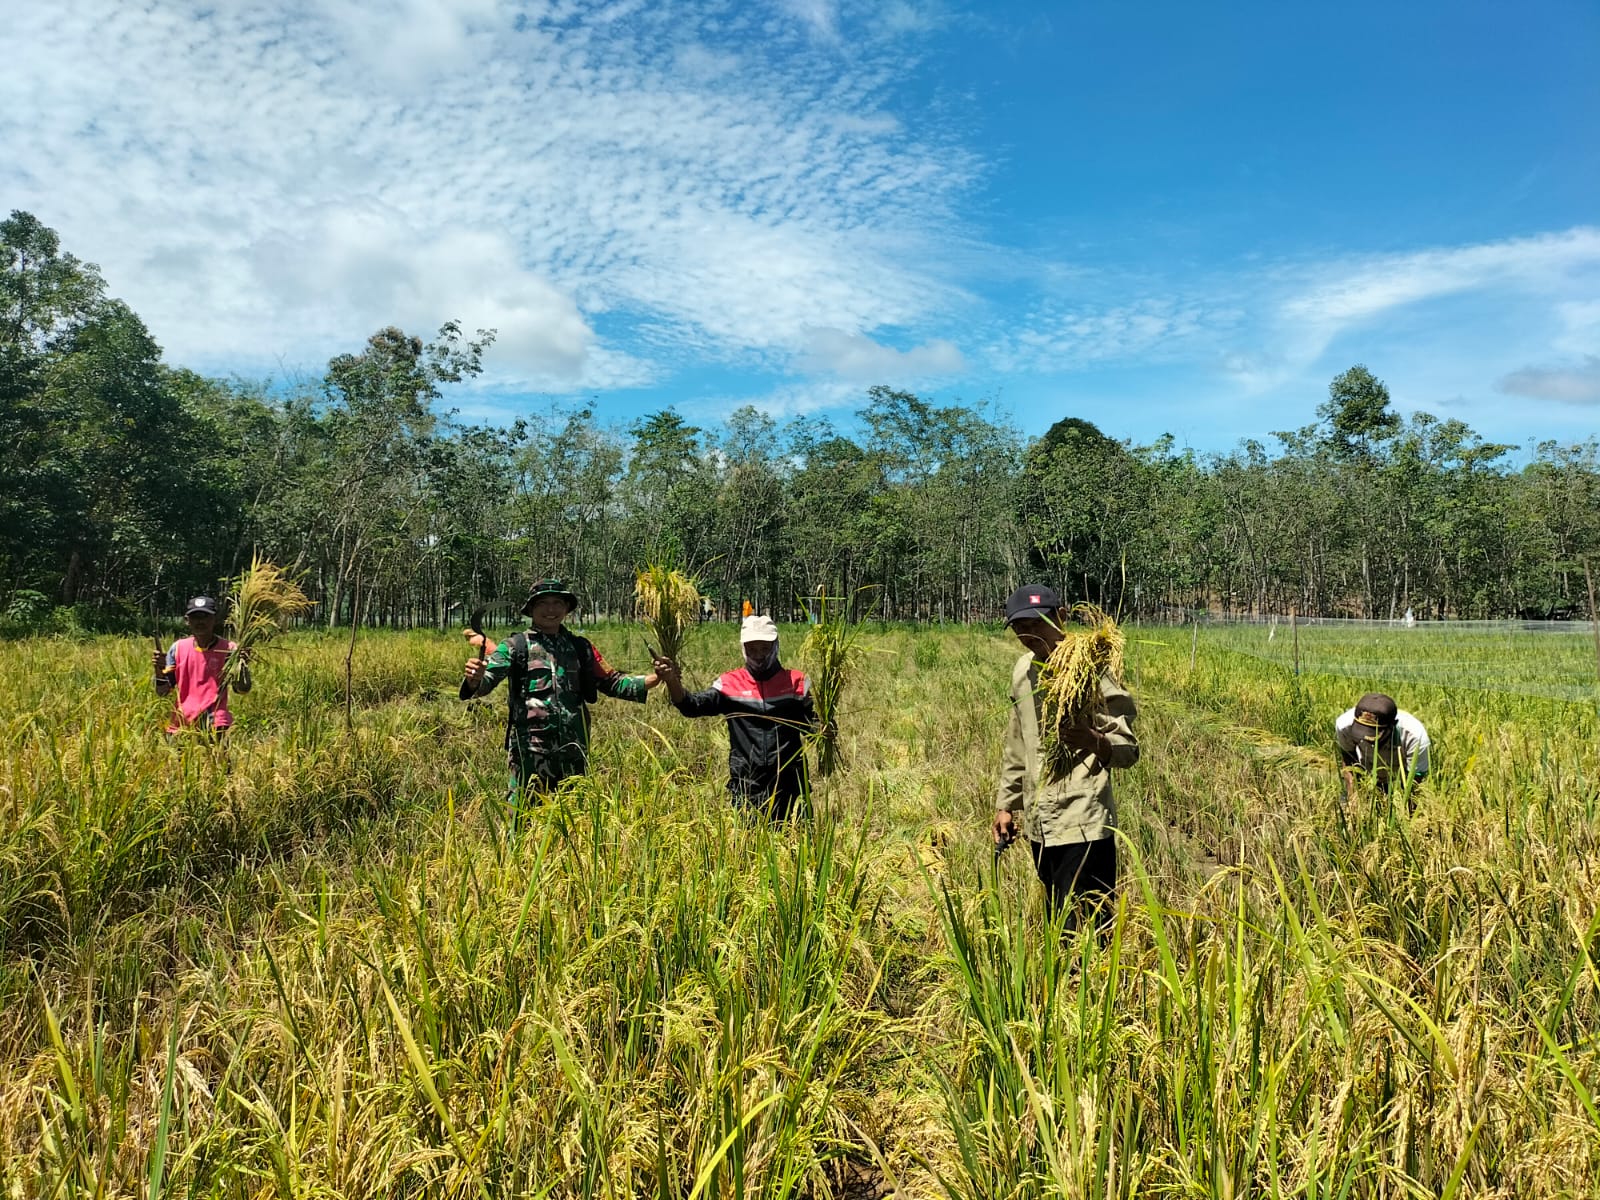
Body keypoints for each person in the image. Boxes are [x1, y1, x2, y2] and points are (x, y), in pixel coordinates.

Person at [991, 584, 1139, 926]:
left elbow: (1128, 748)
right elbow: (1018, 743)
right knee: (1057, 920)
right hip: (1039, 821)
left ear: (1061, 616)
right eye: (1020, 628)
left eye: (1037, 624)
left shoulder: (1092, 668)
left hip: (1082, 821)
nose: (1029, 635)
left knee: (1087, 927)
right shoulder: (1023, 671)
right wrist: (1006, 805)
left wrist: (1094, 740)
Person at [461, 578, 660, 802]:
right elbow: (486, 682)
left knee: (574, 816)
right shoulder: (515, 646)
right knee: (522, 816)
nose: (551, 610)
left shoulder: (580, 647)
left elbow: (612, 682)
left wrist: (655, 679)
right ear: (531, 609)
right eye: (543, 603)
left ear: (566, 608)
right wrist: (474, 679)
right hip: (530, 753)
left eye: (557, 603)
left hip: (573, 752)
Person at [653, 613, 816, 820]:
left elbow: (812, 726)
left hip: (789, 782)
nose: (759, 655)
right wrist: (671, 680)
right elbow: (690, 706)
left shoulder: (796, 682)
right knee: (748, 837)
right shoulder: (730, 684)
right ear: (743, 649)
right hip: (747, 783)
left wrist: (826, 729)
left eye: (765, 648)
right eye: (752, 649)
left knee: (792, 836)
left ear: (775, 646)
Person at [152, 595, 250, 734]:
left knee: (217, 746)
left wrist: (243, 665)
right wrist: (158, 670)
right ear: (187, 620)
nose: (200, 621)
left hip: (215, 721)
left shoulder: (229, 649)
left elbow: (241, 690)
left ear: (215, 619)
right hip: (182, 721)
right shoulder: (177, 648)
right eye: (195, 617)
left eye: (205, 617)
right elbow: (162, 692)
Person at [1335, 693, 1429, 797]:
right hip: (1367, 766)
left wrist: (1405, 803)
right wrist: (1353, 796)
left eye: (1372, 734)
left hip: (1399, 768)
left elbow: (1414, 780)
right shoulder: (1344, 726)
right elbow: (1348, 759)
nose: (1366, 738)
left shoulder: (1415, 738)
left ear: (1392, 726)